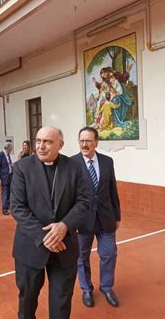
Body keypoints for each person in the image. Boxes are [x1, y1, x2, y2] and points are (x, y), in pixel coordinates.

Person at [10, 126, 90, 319]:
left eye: (47, 141)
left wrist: (65, 226)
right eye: (38, 141)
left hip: (64, 248)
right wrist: (47, 236)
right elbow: (17, 207)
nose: (41, 146)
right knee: (27, 300)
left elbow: (84, 201)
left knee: (62, 302)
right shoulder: (22, 167)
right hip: (31, 246)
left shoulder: (74, 167)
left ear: (60, 145)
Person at [71, 126, 121, 308]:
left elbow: (112, 189)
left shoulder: (107, 161)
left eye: (88, 141)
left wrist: (117, 215)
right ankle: (86, 289)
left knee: (109, 254)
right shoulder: (70, 163)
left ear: (96, 142)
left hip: (106, 218)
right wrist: (70, 221)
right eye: (82, 141)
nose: (85, 144)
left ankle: (107, 287)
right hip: (82, 221)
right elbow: (67, 195)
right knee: (81, 257)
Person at [0, 142, 14, 215]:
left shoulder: (7, 155)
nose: (11, 150)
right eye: (11, 148)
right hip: (4, 177)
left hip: (10, 176)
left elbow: (8, 164)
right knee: (5, 192)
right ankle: (4, 208)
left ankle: (8, 207)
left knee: (9, 192)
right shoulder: (0, 155)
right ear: (8, 148)